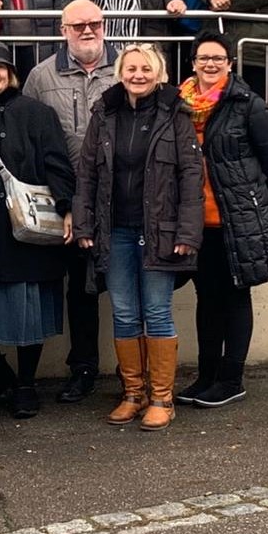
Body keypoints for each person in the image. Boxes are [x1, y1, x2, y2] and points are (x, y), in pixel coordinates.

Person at [73, 43, 202, 431]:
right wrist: (84, 225)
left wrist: (187, 231)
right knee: (125, 313)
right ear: (120, 73)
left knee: (157, 311)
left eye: (146, 69)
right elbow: (87, 174)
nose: (138, 75)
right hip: (115, 231)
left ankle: (162, 398)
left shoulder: (175, 113)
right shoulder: (104, 112)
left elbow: (191, 175)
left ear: (159, 74)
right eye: (131, 68)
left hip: (160, 231)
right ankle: (134, 394)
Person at [0, 42, 74, 419]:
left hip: (24, 231)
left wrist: (67, 207)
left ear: (11, 74)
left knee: (28, 309)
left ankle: (25, 383)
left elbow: (57, 162)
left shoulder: (37, 113)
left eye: (1, 67)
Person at [176, 32, 268, 408]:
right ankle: (207, 376)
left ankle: (231, 379)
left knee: (236, 295)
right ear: (193, 63)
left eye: (218, 58)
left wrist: (253, 200)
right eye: (203, 58)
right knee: (206, 298)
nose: (210, 64)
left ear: (230, 64)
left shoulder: (247, 104)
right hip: (196, 223)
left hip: (235, 221)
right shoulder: (178, 105)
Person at [22, 0, 119, 403]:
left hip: (117, 199)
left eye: (94, 23)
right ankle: (83, 369)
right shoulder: (41, 76)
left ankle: (135, 373)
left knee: (123, 287)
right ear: (63, 31)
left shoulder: (125, 68)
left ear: (104, 25)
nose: (87, 31)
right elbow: (29, 138)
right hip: (63, 199)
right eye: (77, 25)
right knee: (79, 289)